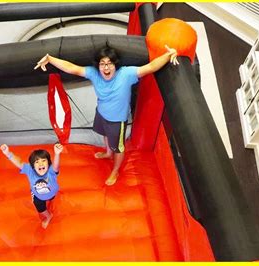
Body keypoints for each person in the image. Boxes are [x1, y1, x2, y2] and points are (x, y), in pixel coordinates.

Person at [34, 45, 178, 186]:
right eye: (102, 64)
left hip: (117, 120)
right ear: (98, 66)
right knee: (104, 133)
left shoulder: (126, 74)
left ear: (116, 65)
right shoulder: (94, 73)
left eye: (109, 64)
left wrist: (168, 54)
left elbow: (150, 67)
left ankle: (115, 170)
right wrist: (50, 59)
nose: (106, 68)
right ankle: (108, 153)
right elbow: (72, 68)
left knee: (118, 148)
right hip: (101, 113)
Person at [0, 143, 63, 229]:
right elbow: (19, 163)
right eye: (37, 162)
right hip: (38, 196)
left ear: (49, 164)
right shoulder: (30, 170)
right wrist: (8, 154)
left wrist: (57, 154)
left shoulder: (51, 171)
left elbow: (56, 165)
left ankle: (50, 199)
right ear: (32, 166)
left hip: (52, 192)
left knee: (51, 198)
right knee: (41, 209)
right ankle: (48, 216)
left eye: (43, 160)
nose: (41, 164)